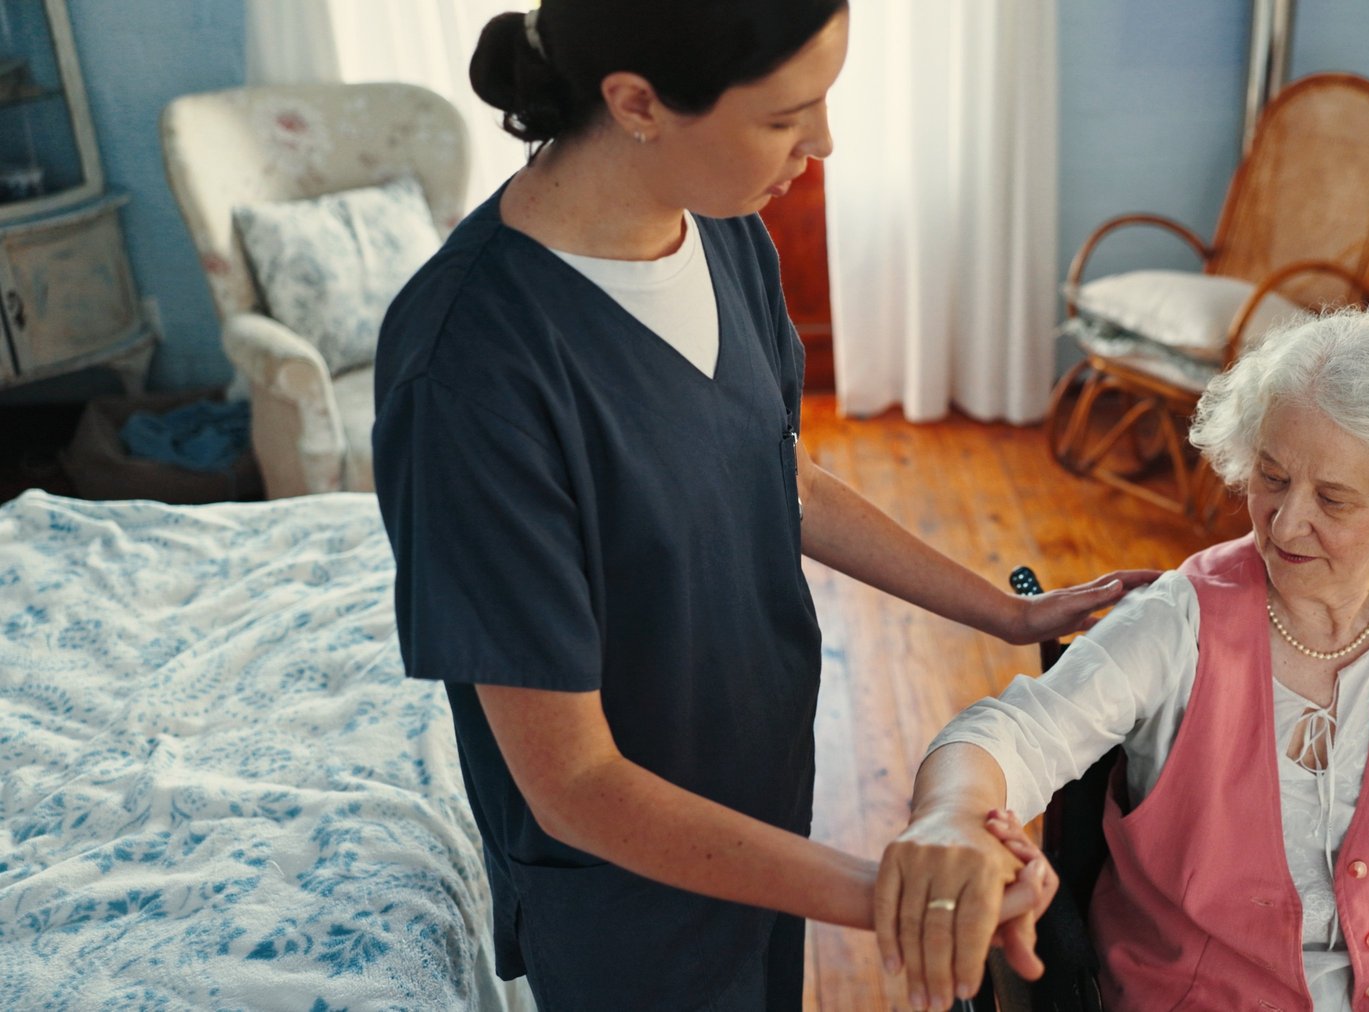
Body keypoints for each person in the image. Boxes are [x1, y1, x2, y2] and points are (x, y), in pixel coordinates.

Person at [370, 2, 1149, 1007]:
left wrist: (1004, 609)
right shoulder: (470, 371)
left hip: (758, 794)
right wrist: (897, 894)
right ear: (637, 103)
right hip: (625, 885)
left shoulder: (725, 235)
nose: (824, 142)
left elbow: (777, 475)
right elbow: (575, 786)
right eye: (790, 116)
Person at [880, 311, 1369, 1011]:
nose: (1285, 522)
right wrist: (953, 813)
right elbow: (1012, 733)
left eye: (1333, 498)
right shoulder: (1178, 621)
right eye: (1270, 477)